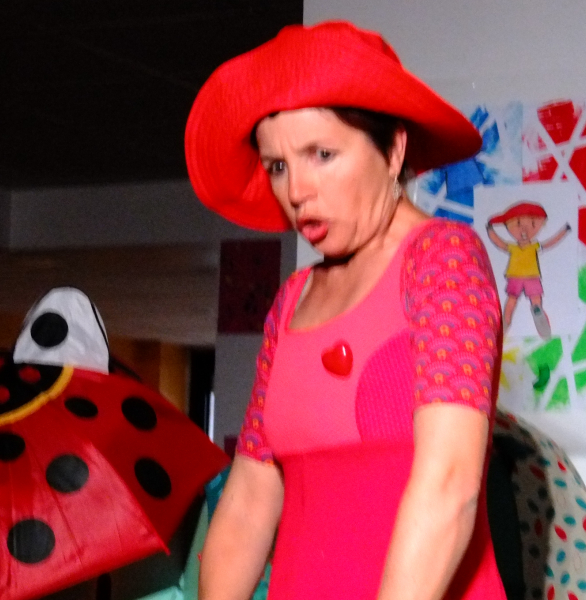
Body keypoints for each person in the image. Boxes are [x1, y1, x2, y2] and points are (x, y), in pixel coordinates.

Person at [184, 21, 507, 600]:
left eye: (322, 154)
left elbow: (450, 485)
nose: (296, 191)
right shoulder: (292, 300)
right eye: (278, 165)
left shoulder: (442, 261)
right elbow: (249, 502)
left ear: (394, 150)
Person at [485, 201, 571, 339]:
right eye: (518, 223)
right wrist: (490, 230)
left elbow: (550, 242)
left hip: (527, 277)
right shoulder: (515, 247)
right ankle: (506, 322)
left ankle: (534, 319)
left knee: (528, 301)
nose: (524, 230)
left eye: (532, 224)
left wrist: (564, 231)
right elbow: (499, 243)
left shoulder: (533, 246)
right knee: (514, 301)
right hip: (520, 277)